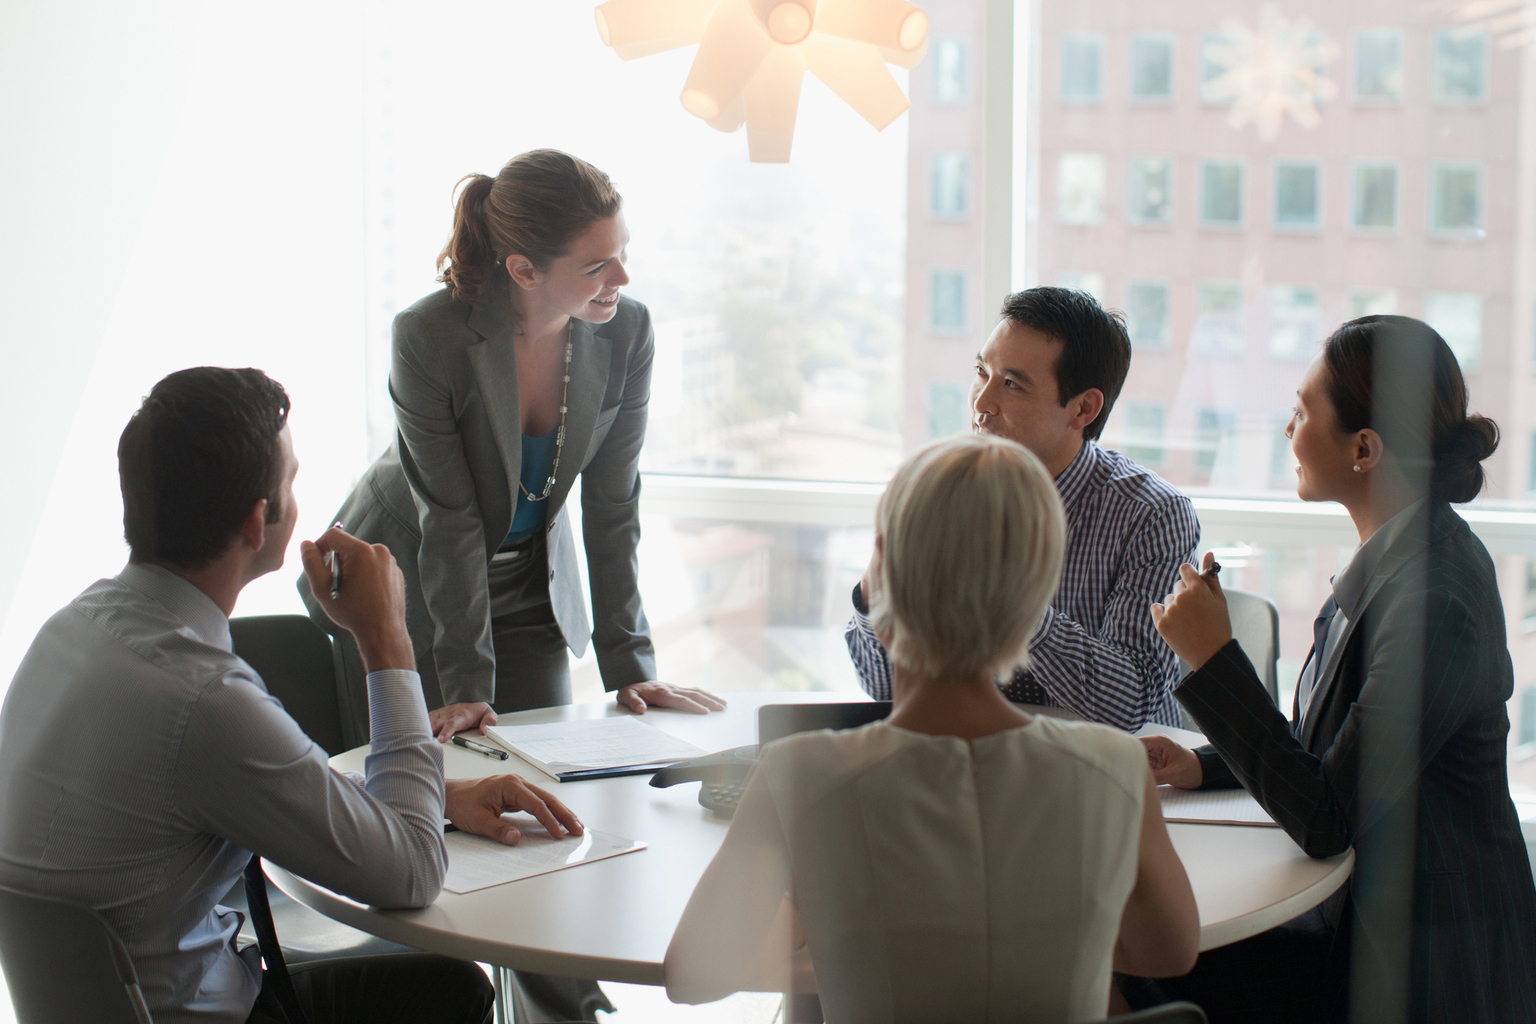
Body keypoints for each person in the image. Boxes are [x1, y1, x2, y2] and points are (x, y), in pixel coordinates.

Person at [0, 367, 585, 1024]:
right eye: (292, 480)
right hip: (209, 1013)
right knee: (452, 990)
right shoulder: (203, 699)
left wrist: (438, 799)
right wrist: (386, 637)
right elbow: (414, 872)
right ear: (258, 522)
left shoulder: (72, 631)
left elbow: (240, 793)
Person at [665, 434, 1199, 1022]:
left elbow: (694, 974)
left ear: (882, 566)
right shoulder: (1115, 768)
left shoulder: (800, 775)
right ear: (1039, 594)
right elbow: (1168, 951)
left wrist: (833, 932)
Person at [1129, 316, 1536, 1023]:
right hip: (1364, 915)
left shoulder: (1435, 599)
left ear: (1365, 448)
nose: (1289, 431)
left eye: (1300, 412)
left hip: (1426, 960)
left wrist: (1215, 660)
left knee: (1145, 964)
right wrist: (1204, 766)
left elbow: (1327, 818)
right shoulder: (1397, 559)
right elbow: (1334, 754)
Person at [302, 150, 722, 749]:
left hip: (531, 578)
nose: (622, 280)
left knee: (546, 770)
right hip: (408, 580)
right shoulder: (429, 337)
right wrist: (467, 685)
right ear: (525, 271)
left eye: (624, 253)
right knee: (428, 784)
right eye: (598, 264)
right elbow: (449, 519)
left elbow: (613, 505)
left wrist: (631, 671)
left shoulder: (628, 332)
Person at [847, 287, 1198, 730]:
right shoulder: (946, 490)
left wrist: (1009, 593)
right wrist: (874, 592)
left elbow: (1130, 706)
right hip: (974, 761)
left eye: (1011, 385)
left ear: (1083, 409)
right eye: (981, 371)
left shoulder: (1152, 515)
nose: (980, 403)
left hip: (1106, 773)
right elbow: (884, 689)